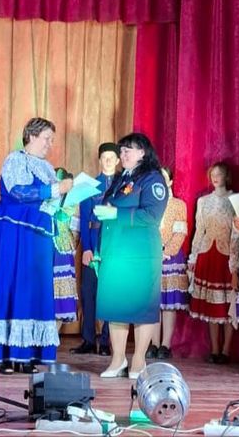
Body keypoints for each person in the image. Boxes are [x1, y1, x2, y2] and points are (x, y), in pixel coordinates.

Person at [0, 117, 73, 373]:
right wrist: (54, 190)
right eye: (46, 138)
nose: (50, 144)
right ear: (32, 136)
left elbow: (50, 202)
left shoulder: (47, 168)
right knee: (10, 286)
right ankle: (5, 355)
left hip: (38, 238)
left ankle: (27, 355)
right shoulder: (15, 160)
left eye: (52, 139)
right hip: (14, 234)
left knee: (33, 291)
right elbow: (18, 193)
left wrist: (64, 199)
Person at [94, 132, 168, 379]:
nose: (123, 154)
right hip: (116, 252)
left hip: (140, 255)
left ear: (142, 153)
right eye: (122, 150)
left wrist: (116, 214)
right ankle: (117, 360)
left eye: (128, 150)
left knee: (141, 307)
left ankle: (138, 361)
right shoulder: (120, 179)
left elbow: (152, 216)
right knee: (116, 306)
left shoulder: (152, 179)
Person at [188, 162, 239, 364]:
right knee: (211, 305)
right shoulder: (203, 201)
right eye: (213, 174)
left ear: (226, 176)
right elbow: (199, 230)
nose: (215, 177)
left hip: (226, 255)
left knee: (227, 304)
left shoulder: (235, 200)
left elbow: (237, 234)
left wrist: (234, 262)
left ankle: (226, 350)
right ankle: (214, 349)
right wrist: (193, 256)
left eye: (219, 174)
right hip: (207, 253)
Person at [71, 142, 120, 356]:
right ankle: (89, 339)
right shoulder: (88, 185)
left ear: (117, 161)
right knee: (88, 292)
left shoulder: (124, 185)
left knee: (110, 293)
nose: (108, 161)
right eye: (104, 157)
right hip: (93, 243)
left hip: (114, 246)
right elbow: (84, 220)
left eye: (111, 158)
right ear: (99, 160)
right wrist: (86, 249)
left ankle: (107, 341)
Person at [147, 166, 188, 360]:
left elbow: (180, 233)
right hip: (150, 256)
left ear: (170, 182)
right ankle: (153, 343)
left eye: (164, 178)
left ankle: (165, 344)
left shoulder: (179, 205)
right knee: (153, 302)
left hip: (170, 257)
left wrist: (166, 252)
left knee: (169, 304)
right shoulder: (149, 203)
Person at [52, 168, 79, 327]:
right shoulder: (45, 201)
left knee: (61, 294)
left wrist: (71, 246)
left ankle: (54, 335)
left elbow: (75, 231)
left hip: (62, 249)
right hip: (45, 249)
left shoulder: (71, 204)